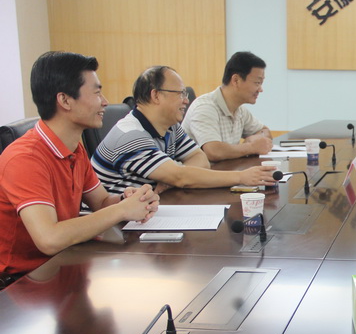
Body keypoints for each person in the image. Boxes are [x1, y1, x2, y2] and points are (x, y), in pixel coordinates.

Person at [0, 51, 159, 282]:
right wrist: (122, 210)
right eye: (96, 92)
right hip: (21, 282)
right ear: (65, 100)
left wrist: (130, 200)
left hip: (62, 263)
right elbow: (49, 239)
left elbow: (101, 203)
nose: (105, 101)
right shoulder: (25, 158)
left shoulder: (74, 147)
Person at [91, 65, 277, 194]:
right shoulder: (131, 135)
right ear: (156, 95)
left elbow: (200, 159)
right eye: (180, 94)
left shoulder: (171, 126)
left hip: (146, 210)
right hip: (115, 228)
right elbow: (181, 177)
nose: (186, 100)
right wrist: (241, 177)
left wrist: (171, 178)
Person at [182, 51, 273, 162]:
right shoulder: (205, 108)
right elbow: (213, 151)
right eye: (257, 83)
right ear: (236, 80)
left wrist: (258, 138)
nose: (260, 89)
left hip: (227, 170)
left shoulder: (240, 110)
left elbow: (265, 131)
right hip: (205, 172)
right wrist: (250, 147)